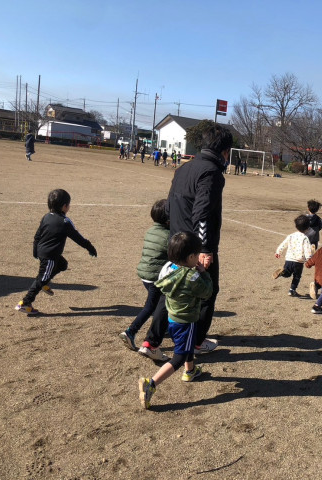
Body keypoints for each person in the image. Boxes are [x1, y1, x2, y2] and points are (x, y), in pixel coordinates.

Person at [161, 123, 233, 353]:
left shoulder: (184, 168)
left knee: (174, 288)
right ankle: (196, 341)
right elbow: (202, 214)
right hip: (195, 246)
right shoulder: (212, 173)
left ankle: (155, 338)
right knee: (207, 291)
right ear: (225, 151)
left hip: (176, 241)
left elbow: (169, 205)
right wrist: (204, 249)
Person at [138, 231, 213, 409]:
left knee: (186, 346)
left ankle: (190, 370)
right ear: (191, 257)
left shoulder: (169, 269)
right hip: (186, 320)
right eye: (197, 254)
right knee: (179, 356)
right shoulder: (192, 277)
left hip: (172, 319)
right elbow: (207, 292)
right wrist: (204, 273)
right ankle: (151, 384)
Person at [15, 189, 97, 315]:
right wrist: (90, 248)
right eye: (68, 204)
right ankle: (25, 302)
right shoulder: (65, 222)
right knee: (42, 278)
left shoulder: (46, 217)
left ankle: (45, 283)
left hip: (43, 251)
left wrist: (35, 250)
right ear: (64, 206)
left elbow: (37, 235)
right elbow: (78, 238)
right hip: (50, 256)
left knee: (62, 265)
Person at [119, 199, 170, 354]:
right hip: (155, 277)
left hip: (145, 275)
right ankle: (131, 331)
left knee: (158, 304)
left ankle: (164, 327)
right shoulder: (168, 236)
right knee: (151, 306)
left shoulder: (151, 231)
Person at [272, 215, 313, 296]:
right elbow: (307, 249)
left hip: (289, 259)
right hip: (299, 261)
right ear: (307, 228)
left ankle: (282, 272)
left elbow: (283, 244)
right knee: (297, 276)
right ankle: (292, 290)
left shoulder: (291, 235)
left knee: (287, 273)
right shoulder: (305, 238)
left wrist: (278, 252)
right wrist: (309, 258)